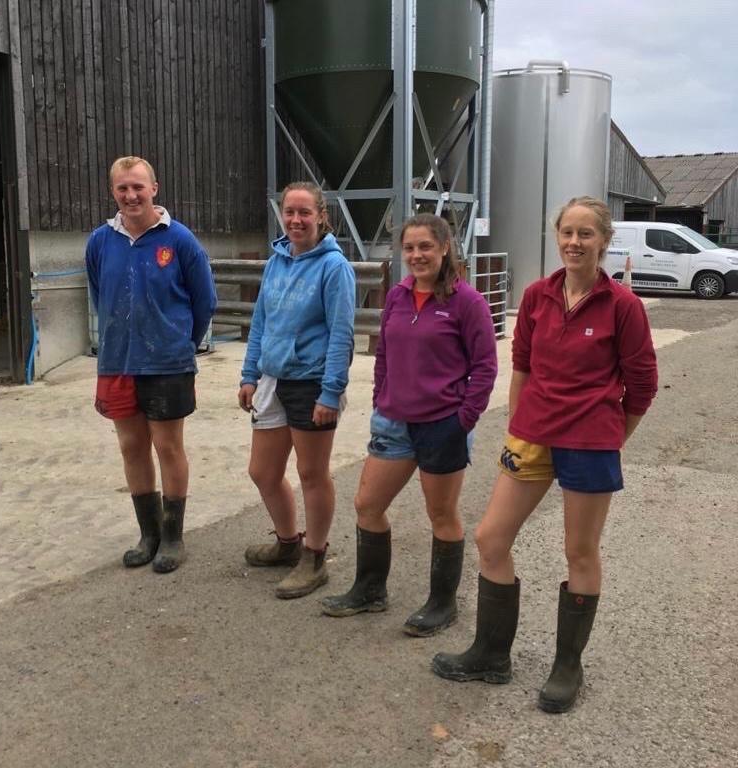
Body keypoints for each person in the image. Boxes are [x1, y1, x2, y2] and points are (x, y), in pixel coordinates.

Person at [431, 197, 658, 713]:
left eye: (586, 234)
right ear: (556, 237)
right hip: (533, 434)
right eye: (567, 233)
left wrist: (613, 436)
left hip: (590, 440)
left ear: (603, 241)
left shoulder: (622, 306)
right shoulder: (537, 296)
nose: (575, 243)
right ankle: (491, 653)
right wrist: (517, 421)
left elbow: (642, 384)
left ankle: (567, 665)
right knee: (491, 538)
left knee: (579, 552)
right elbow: (524, 364)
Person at [321, 213, 498, 637]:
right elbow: (383, 354)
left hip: (443, 424)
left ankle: (442, 603)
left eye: (425, 247)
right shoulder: (398, 297)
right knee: (367, 505)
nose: (417, 255)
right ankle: (369, 590)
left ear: (443, 249)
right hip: (394, 422)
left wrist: (464, 419)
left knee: (441, 513)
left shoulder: (467, 302)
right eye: (410, 248)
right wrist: (383, 396)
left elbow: (486, 367)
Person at [86, 156, 217, 574]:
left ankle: (173, 538)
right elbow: (99, 293)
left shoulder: (179, 240)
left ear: (154, 189)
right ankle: (149, 534)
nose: (131, 195)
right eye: (123, 188)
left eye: (138, 187)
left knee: (168, 446)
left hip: (167, 361)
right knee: (131, 447)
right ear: (113, 193)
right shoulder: (99, 242)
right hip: (117, 362)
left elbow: (205, 302)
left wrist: (182, 344)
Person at [238, 182, 356, 599]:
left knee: (311, 473)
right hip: (273, 378)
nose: (296, 220)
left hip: (312, 381)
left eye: (305, 212)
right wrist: (249, 373)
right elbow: (261, 321)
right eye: (289, 212)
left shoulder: (334, 267)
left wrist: (331, 392)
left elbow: (342, 334)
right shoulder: (277, 261)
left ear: (322, 216)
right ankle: (288, 543)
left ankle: (315, 557)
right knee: (263, 472)